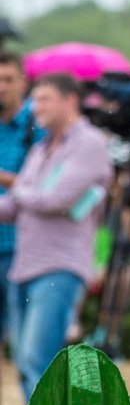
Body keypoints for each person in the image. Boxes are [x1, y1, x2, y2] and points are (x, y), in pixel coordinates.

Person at [0, 73, 111, 400]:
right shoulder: (42, 146)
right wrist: (18, 190)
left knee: (39, 359)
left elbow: (56, 199)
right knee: (23, 361)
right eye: (35, 99)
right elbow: (18, 206)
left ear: (70, 100)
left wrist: (14, 184)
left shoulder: (88, 142)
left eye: (44, 99)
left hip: (59, 267)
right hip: (25, 265)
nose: (36, 107)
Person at [0, 51, 40, 346]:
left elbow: (44, 186)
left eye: (8, 79)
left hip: (23, 247)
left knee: (25, 341)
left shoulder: (37, 125)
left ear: (23, 83)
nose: (2, 86)